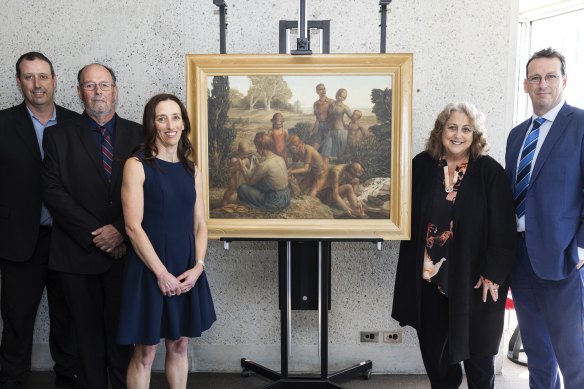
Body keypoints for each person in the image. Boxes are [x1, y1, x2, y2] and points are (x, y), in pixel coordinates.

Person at [392, 102, 516, 388]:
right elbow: (401, 211)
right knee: (437, 359)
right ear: (440, 131)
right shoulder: (422, 165)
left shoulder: (489, 171)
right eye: (452, 127)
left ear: (475, 135)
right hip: (429, 278)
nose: (458, 135)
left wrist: (493, 273)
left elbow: (504, 228)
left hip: (476, 281)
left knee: (479, 358)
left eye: (466, 129)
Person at [42, 63, 144, 389]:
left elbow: (150, 192)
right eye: (89, 85)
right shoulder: (57, 135)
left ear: (116, 90)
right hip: (76, 255)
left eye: (103, 85)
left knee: (123, 340)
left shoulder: (140, 135)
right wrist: (97, 235)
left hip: (126, 255)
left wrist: (119, 230)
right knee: (85, 343)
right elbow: (52, 191)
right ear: (78, 92)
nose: (97, 91)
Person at [117, 93, 216, 389]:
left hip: (186, 268)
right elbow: (133, 227)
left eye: (175, 117)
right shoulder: (136, 165)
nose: (170, 124)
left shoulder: (191, 169)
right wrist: (161, 274)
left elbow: (200, 224)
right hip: (150, 269)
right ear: (152, 124)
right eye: (162, 118)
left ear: (184, 123)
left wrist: (198, 267)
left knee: (180, 345)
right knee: (146, 352)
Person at [505, 47, 584, 388]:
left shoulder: (580, 125)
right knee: (537, 354)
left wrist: (581, 248)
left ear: (563, 80)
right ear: (525, 85)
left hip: (564, 257)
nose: (543, 84)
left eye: (550, 76)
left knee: (575, 357)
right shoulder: (516, 135)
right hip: (520, 259)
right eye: (535, 77)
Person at [0, 52, 79, 389]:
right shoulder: (2, 124)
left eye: (43, 76)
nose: (37, 84)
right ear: (19, 82)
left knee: (69, 322)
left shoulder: (78, 124)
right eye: (29, 77)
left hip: (69, 241)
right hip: (19, 242)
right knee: (17, 322)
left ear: (54, 80)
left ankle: (69, 383)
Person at [237, 132, 291, 210]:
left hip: (275, 200)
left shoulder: (265, 165)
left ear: (261, 148)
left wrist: (242, 168)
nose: (256, 150)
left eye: (257, 147)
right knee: (260, 183)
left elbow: (249, 181)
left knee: (242, 188)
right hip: (287, 197)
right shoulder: (280, 158)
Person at [221, 141, 257, 206]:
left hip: (242, 179)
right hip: (234, 177)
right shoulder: (234, 159)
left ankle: (238, 203)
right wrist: (237, 166)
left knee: (241, 192)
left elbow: (248, 170)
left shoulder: (247, 160)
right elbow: (230, 170)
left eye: (247, 154)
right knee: (231, 191)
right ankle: (224, 202)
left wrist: (243, 165)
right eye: (243, 154)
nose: (245, 156)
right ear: (239, 151)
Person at [321, 88, 352, 160]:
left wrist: (349, 126)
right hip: (331, 130)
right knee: (326, 151)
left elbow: (352, 117)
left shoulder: (345, 107)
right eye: (339, 95)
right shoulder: (331, 104)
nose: (340, 97)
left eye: (342, 97)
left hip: (340, 131)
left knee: (339, 154)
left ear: (344, 98)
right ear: (336, 94)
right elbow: (328, 116)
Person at [308, 83, 333, 151]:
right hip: (320, 127)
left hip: (329, 127)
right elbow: (317, 119)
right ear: (317, 92)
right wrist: (313, 130)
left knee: (327, 149)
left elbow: (334, 117)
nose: (323, 91)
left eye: (324, 89)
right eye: (321, 89)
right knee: (314, 148)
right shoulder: (315, 104)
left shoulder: (331, 102)